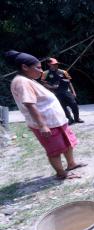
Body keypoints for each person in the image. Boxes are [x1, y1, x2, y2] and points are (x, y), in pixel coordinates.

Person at [5, 50, 87, 179]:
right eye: (37, 67)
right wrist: (42, 126)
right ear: (24, 67)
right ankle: (61, 173)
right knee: (55, 150)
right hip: (46, 123)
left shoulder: (29, 79)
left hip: (56, 121)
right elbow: (29, 104)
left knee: (67, 143)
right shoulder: (21, 81)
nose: (41, 71)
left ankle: (71, 164)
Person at [41, 58, 84, 124]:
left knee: (74, 105)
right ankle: (70, 119)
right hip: (56, 93)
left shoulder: (63, 72)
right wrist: (52, 87)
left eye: (56, 64)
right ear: (49, 64)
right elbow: (43, 84)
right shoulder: (45, 73)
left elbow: (69, 82)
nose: (56, 65)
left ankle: (77, 118)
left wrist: (73, 92)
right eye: (53, 64)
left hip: (66, 92)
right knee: (62, 107)